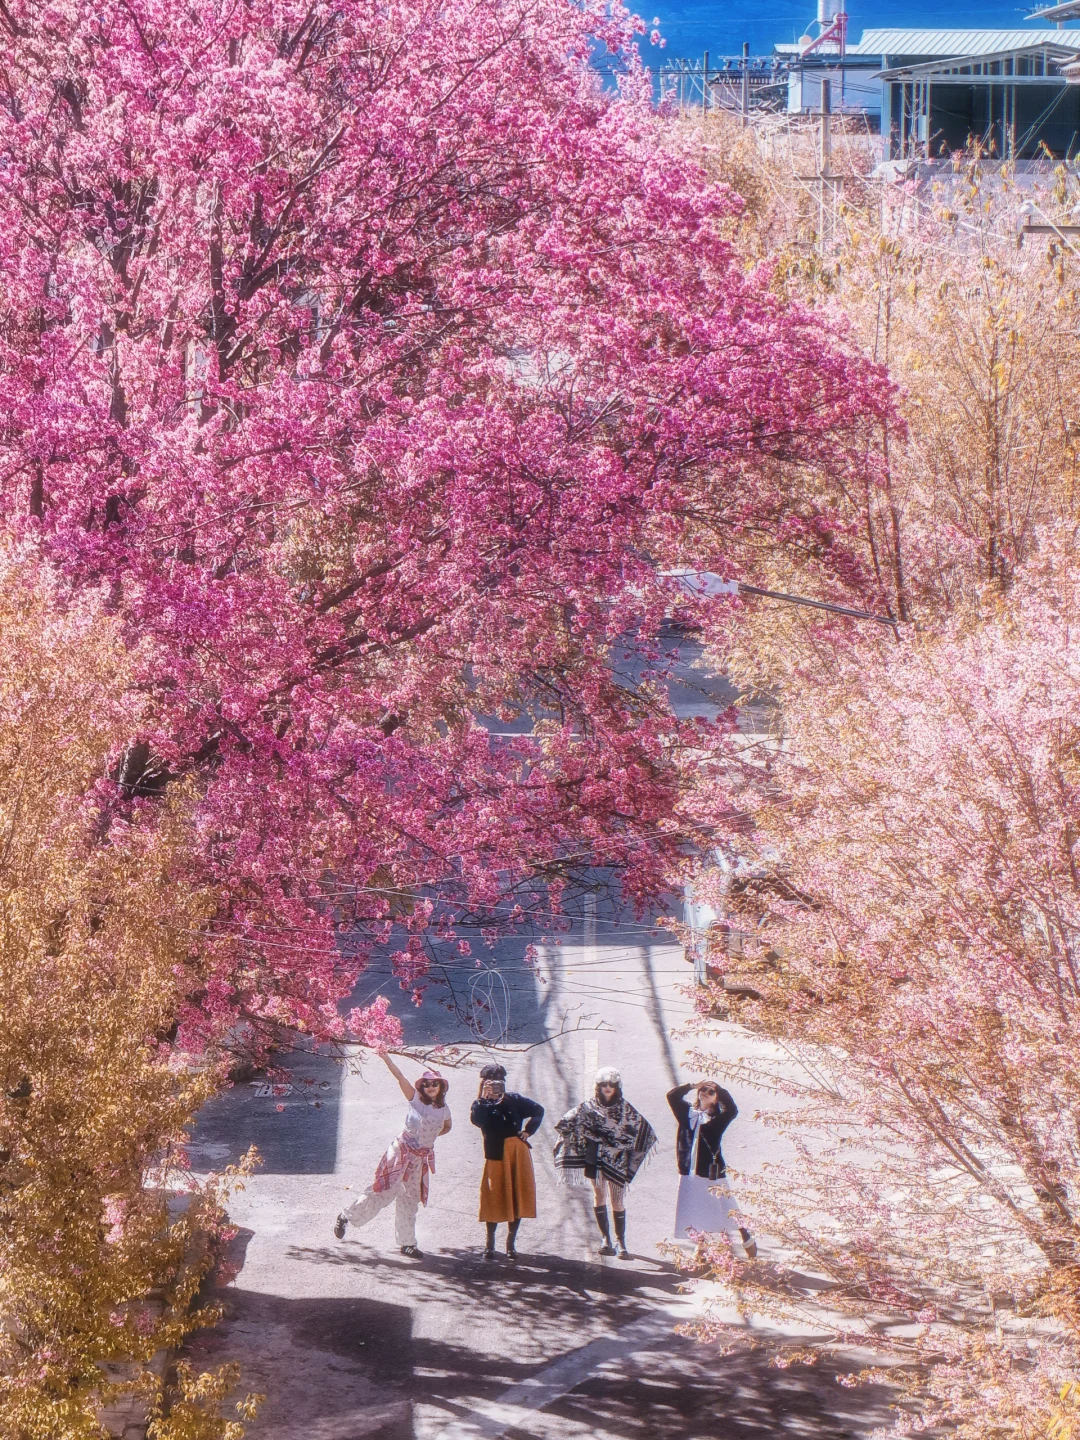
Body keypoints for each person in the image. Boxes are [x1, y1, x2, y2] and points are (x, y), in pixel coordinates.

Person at [333, 1053, 451, 1259]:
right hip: (400, 1153)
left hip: (419, 1159)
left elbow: (447, 1127)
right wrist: (385, 1057)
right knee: (382, 1191)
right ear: (421, 1087)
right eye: (426, 1084)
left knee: (410, 1199)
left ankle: (407, 1243)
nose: (430, 1087)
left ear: (441, 1087)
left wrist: (427, 1142)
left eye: (435, 1084)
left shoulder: (444, 1109)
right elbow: (399, 1076)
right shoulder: (415, 1099)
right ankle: (345, 1216)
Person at [554, 1066, 656, 1259]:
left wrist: (622, 1142)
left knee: (617, 1200)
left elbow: (644, 1131)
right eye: (604, 1084)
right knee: (599, 1195)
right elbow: (566, 1123)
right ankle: (605, 1239)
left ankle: (621, 1241)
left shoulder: (625, 1108)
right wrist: (583, 1138)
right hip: (594, 1159)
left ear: (617, 1087)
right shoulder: (588, 1106)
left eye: (611, 1084)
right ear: (598, 1087)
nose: (607, 1088)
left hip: (617, 1159)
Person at [668, 1078, 756, 1259]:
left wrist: (720, 1089)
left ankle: (746, 1236)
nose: (705, 1093)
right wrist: (692, 1085)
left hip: (711, 1172)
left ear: (716, 1099)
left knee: (726, 1205)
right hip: (689, 1170)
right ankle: (700, 1246)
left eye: (710, 1092)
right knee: (695, 1207)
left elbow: (732, 1110)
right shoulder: (687, 1114)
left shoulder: (717, 1120)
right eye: (703, 1090)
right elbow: (672, 1096)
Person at [470, 1063, 545, 1261]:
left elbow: (538, 1110)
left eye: (499, 1081)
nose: (496, 1086)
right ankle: (490, 1244)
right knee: (494, 1198)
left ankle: (511, 1244)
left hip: (517, 1153)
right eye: (491, 1082)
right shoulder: (480, 1105)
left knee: (517, 1196)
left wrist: (528, 1131)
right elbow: (478, 1121)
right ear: (483, 1084)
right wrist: (484, 1099)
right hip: (495, 1155)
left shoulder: (515, 1099)